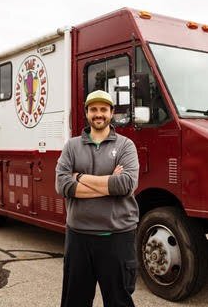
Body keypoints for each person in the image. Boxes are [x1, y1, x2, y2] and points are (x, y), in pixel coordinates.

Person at [55, 90, 139, 307]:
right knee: (75, 301)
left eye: (103, 109)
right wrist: (109, 183)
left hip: (117, 236)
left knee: (119, 301)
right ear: (87, 113)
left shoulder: (125, 145)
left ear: (111, 113)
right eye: (93, 109)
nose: (98, 114)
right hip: (78, 237)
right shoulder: (72, 146)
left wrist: (80, 177)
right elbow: (62, 185)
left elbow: (126, 184)